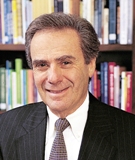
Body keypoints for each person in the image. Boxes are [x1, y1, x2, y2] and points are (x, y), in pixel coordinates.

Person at [0, 12, 135, 160]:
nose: (53, 78)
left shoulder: (129, 133)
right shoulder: (4, 129)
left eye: (65, 63)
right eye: (42, 65)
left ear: (90, 64)